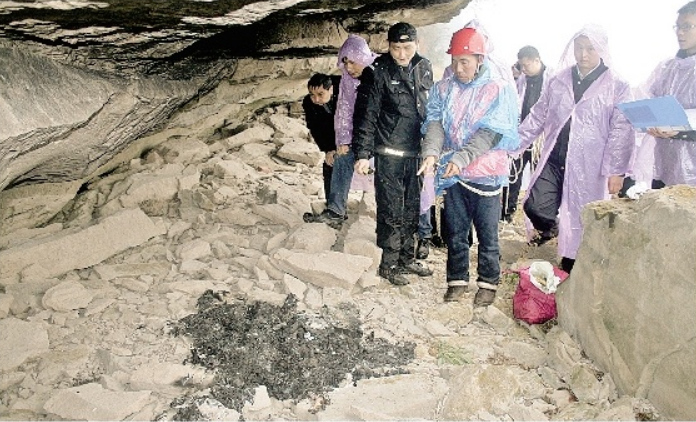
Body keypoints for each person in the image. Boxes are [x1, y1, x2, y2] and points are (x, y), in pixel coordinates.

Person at [515, 24, 635, 273]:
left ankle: (572, 265)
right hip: (554, 156)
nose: (583, 54)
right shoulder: (559, 79)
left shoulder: (617, 86)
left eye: (590, 48)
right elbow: (539, 115)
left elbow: (621, 130)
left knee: (581, 214)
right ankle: (551, 228)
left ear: (602, 49)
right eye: (579, 48)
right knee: (535, 205)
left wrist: (616, 170)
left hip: (588, 164)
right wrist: (513, 144)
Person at [418, 26, 520, 306]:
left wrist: (461, 159)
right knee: (455, 230)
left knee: (487, 234)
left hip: (486, 175)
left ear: (479, 60)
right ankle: (457, 281)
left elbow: (489, 133)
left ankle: (488, 283)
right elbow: (436, 123)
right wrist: (431, 153)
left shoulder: (496, 89)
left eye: (464, 62)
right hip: (455, 175)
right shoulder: (444, 88)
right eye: (454, 61)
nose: (458, 67)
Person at [353, 22, 434, 286]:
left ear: (417, 44)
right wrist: (363, 154)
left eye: (407, 47)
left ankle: (407, 259)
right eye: (396, 47)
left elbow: (432, 110)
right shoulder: (376, 72)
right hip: (388, 151)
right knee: (391, 208)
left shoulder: (424, 67)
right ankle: (388, 263)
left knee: (412, 207)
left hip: (416, 154)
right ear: (388, 46)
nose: (401, 53)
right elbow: (366, 115)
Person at [305, 35, 378, 229]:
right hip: (357, 136)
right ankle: (335, 211)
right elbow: (339, 119)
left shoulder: (380, 74)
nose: (349, 68)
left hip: (382, 136)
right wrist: (334, 147)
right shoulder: (346, 82)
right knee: (339, 159)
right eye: (345, 62)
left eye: (353, 62)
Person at [631, 0, 696, 188]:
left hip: (692, 171)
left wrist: (682, 131)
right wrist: (648, 123)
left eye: (687, 26)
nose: (680, 32)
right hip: (665, 166)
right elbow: (646, 97)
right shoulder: (667, 68)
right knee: (664, 214)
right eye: (678, 26)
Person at [501, 45, 551, 222]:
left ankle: (536, 215)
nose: (524, 69)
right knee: (513, 175)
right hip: (520, 134)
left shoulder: (552, 79)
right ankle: (507, 211)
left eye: (527, 65)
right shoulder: (521, 79)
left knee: (539, 177)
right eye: (521, 65)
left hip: (541, 138)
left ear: (537, 60)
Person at [302, 73, 340, 207]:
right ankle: (333, 206)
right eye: (312, 95)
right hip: (331, 135)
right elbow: (315, 128)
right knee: (330, 165)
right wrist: (328, 149)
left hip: (355, 135)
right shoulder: (309, 103)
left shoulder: (346, 92)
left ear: (331, 89)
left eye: (320, 94)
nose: (316, 99)